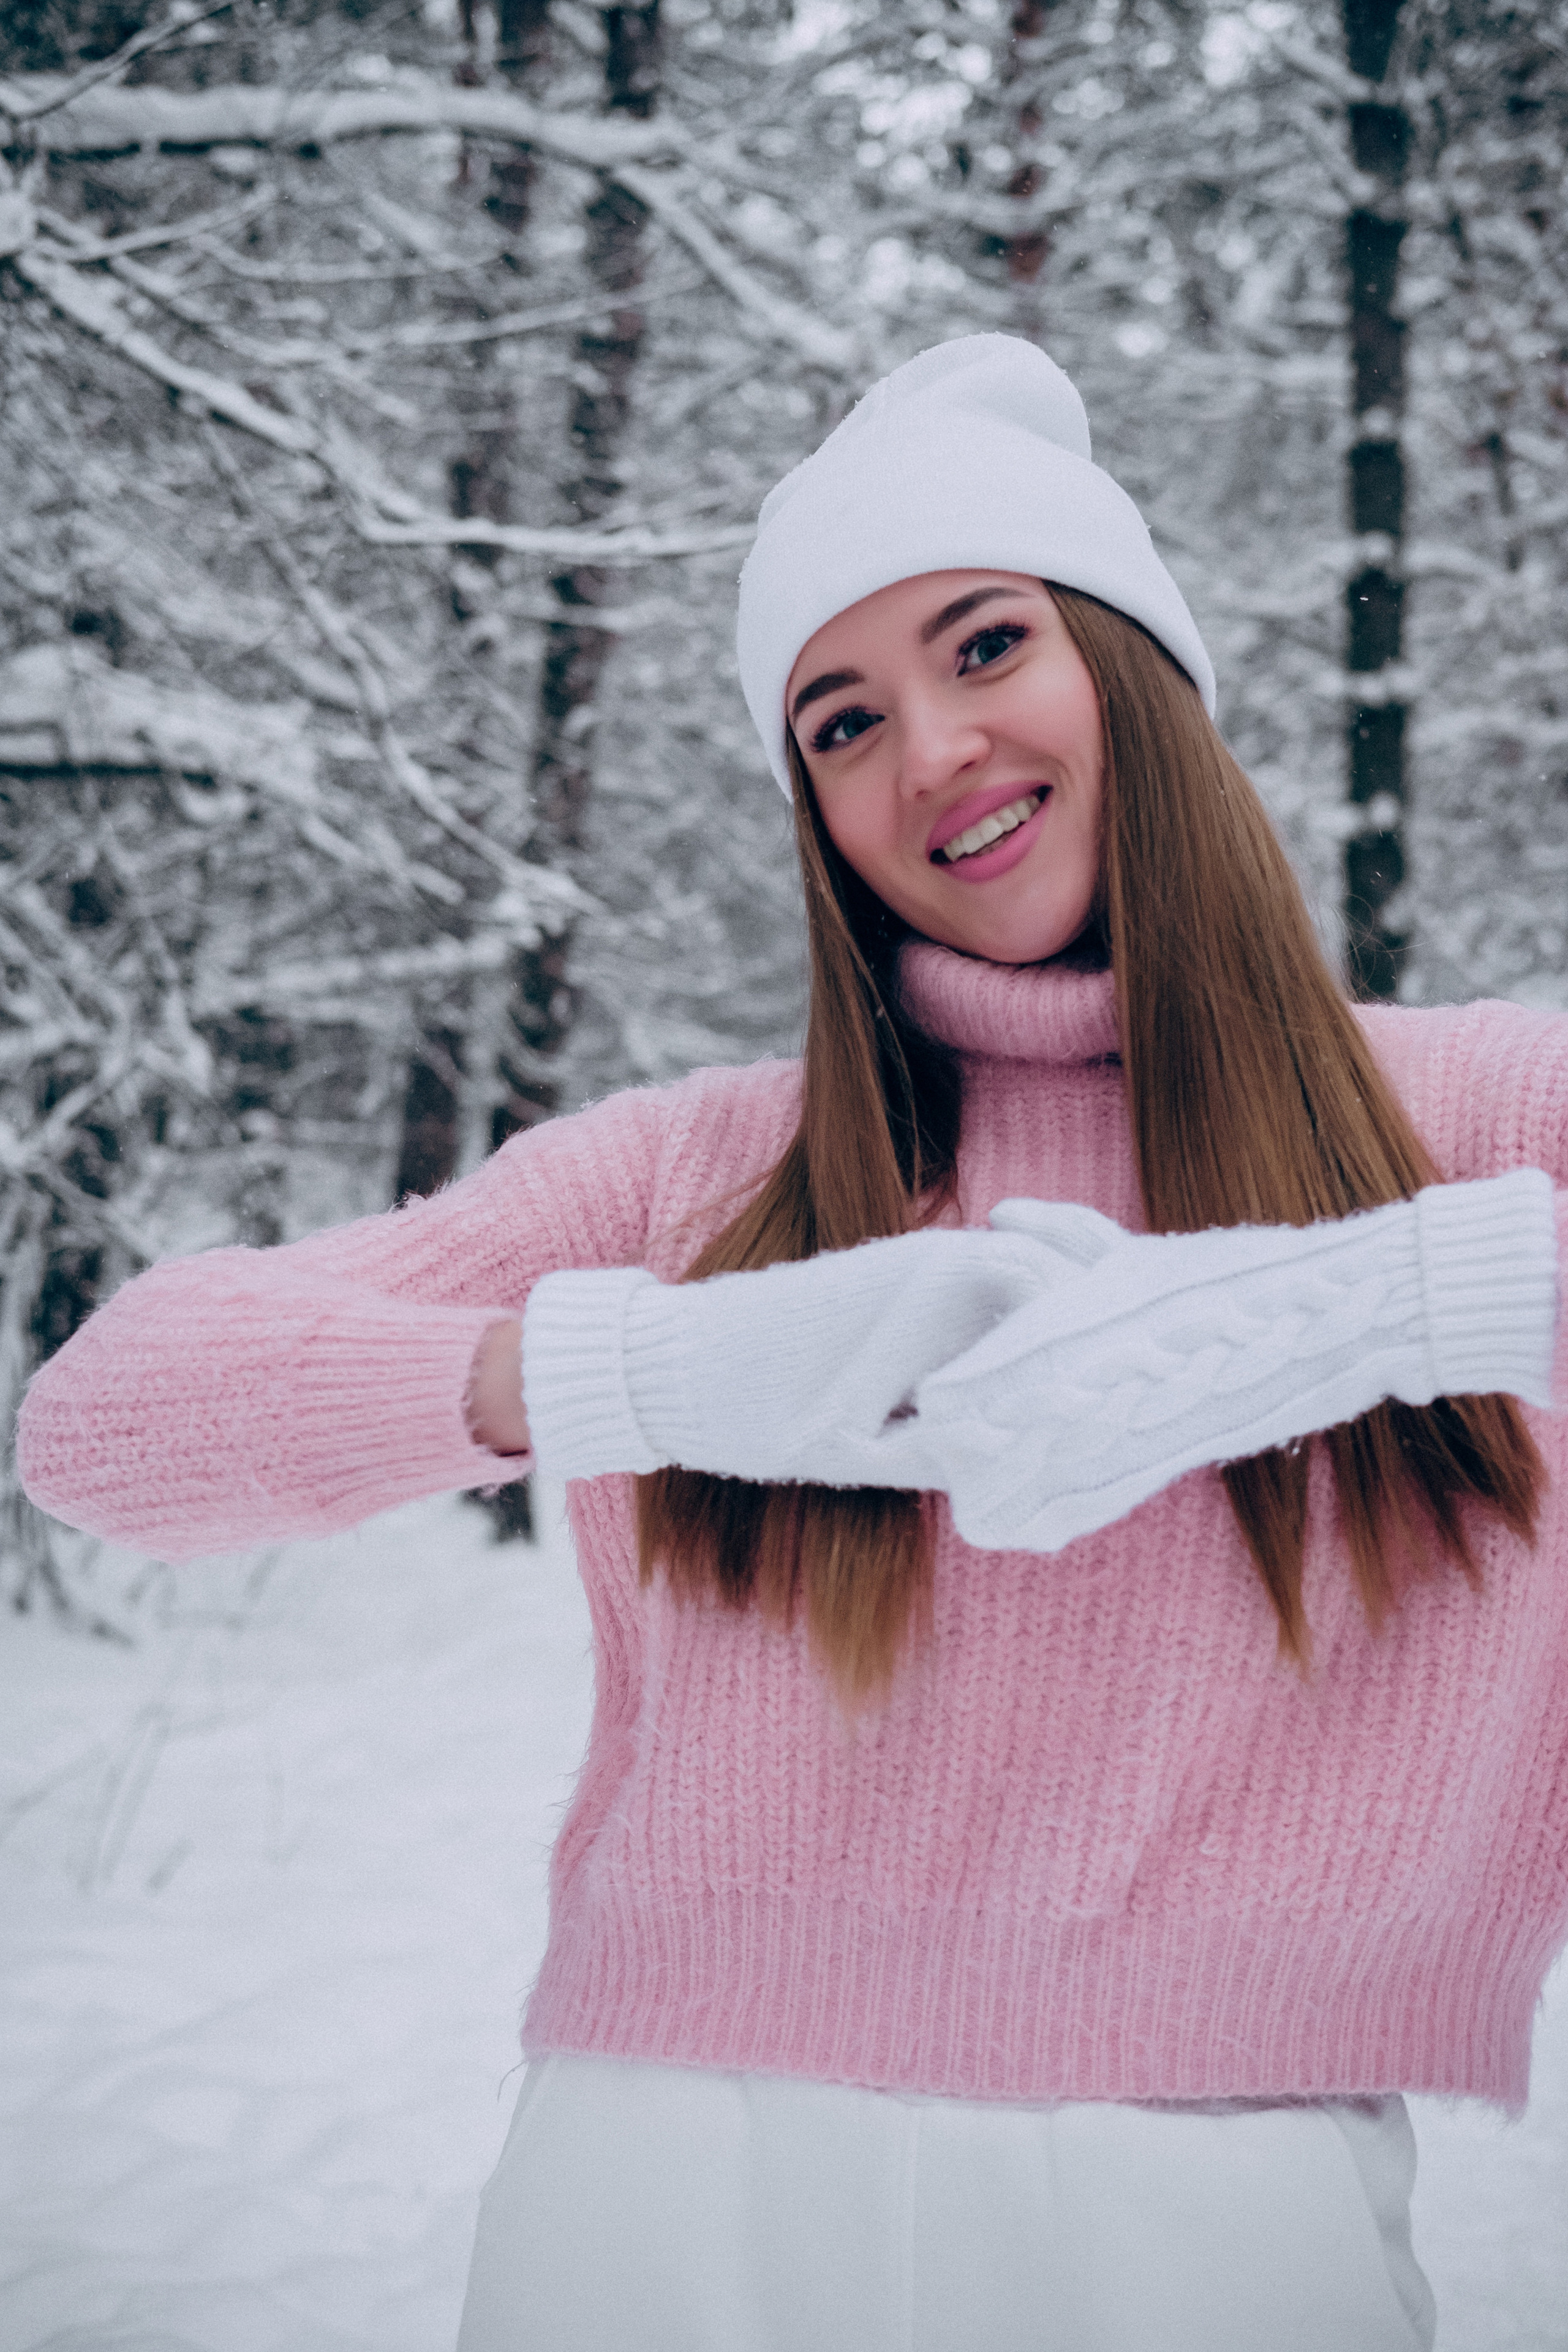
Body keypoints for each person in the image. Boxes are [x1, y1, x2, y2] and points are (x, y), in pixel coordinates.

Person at [17, 336, 1568, 2352]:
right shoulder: (706, 1178)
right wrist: (644, 1375)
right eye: (842, 721)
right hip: (668, 2202)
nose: (929, 751)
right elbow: (106, 1426)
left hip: (1223, 2219)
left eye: (987, 643)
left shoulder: (1473, 1125)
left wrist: (1342, 1310)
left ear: (1138, 669)